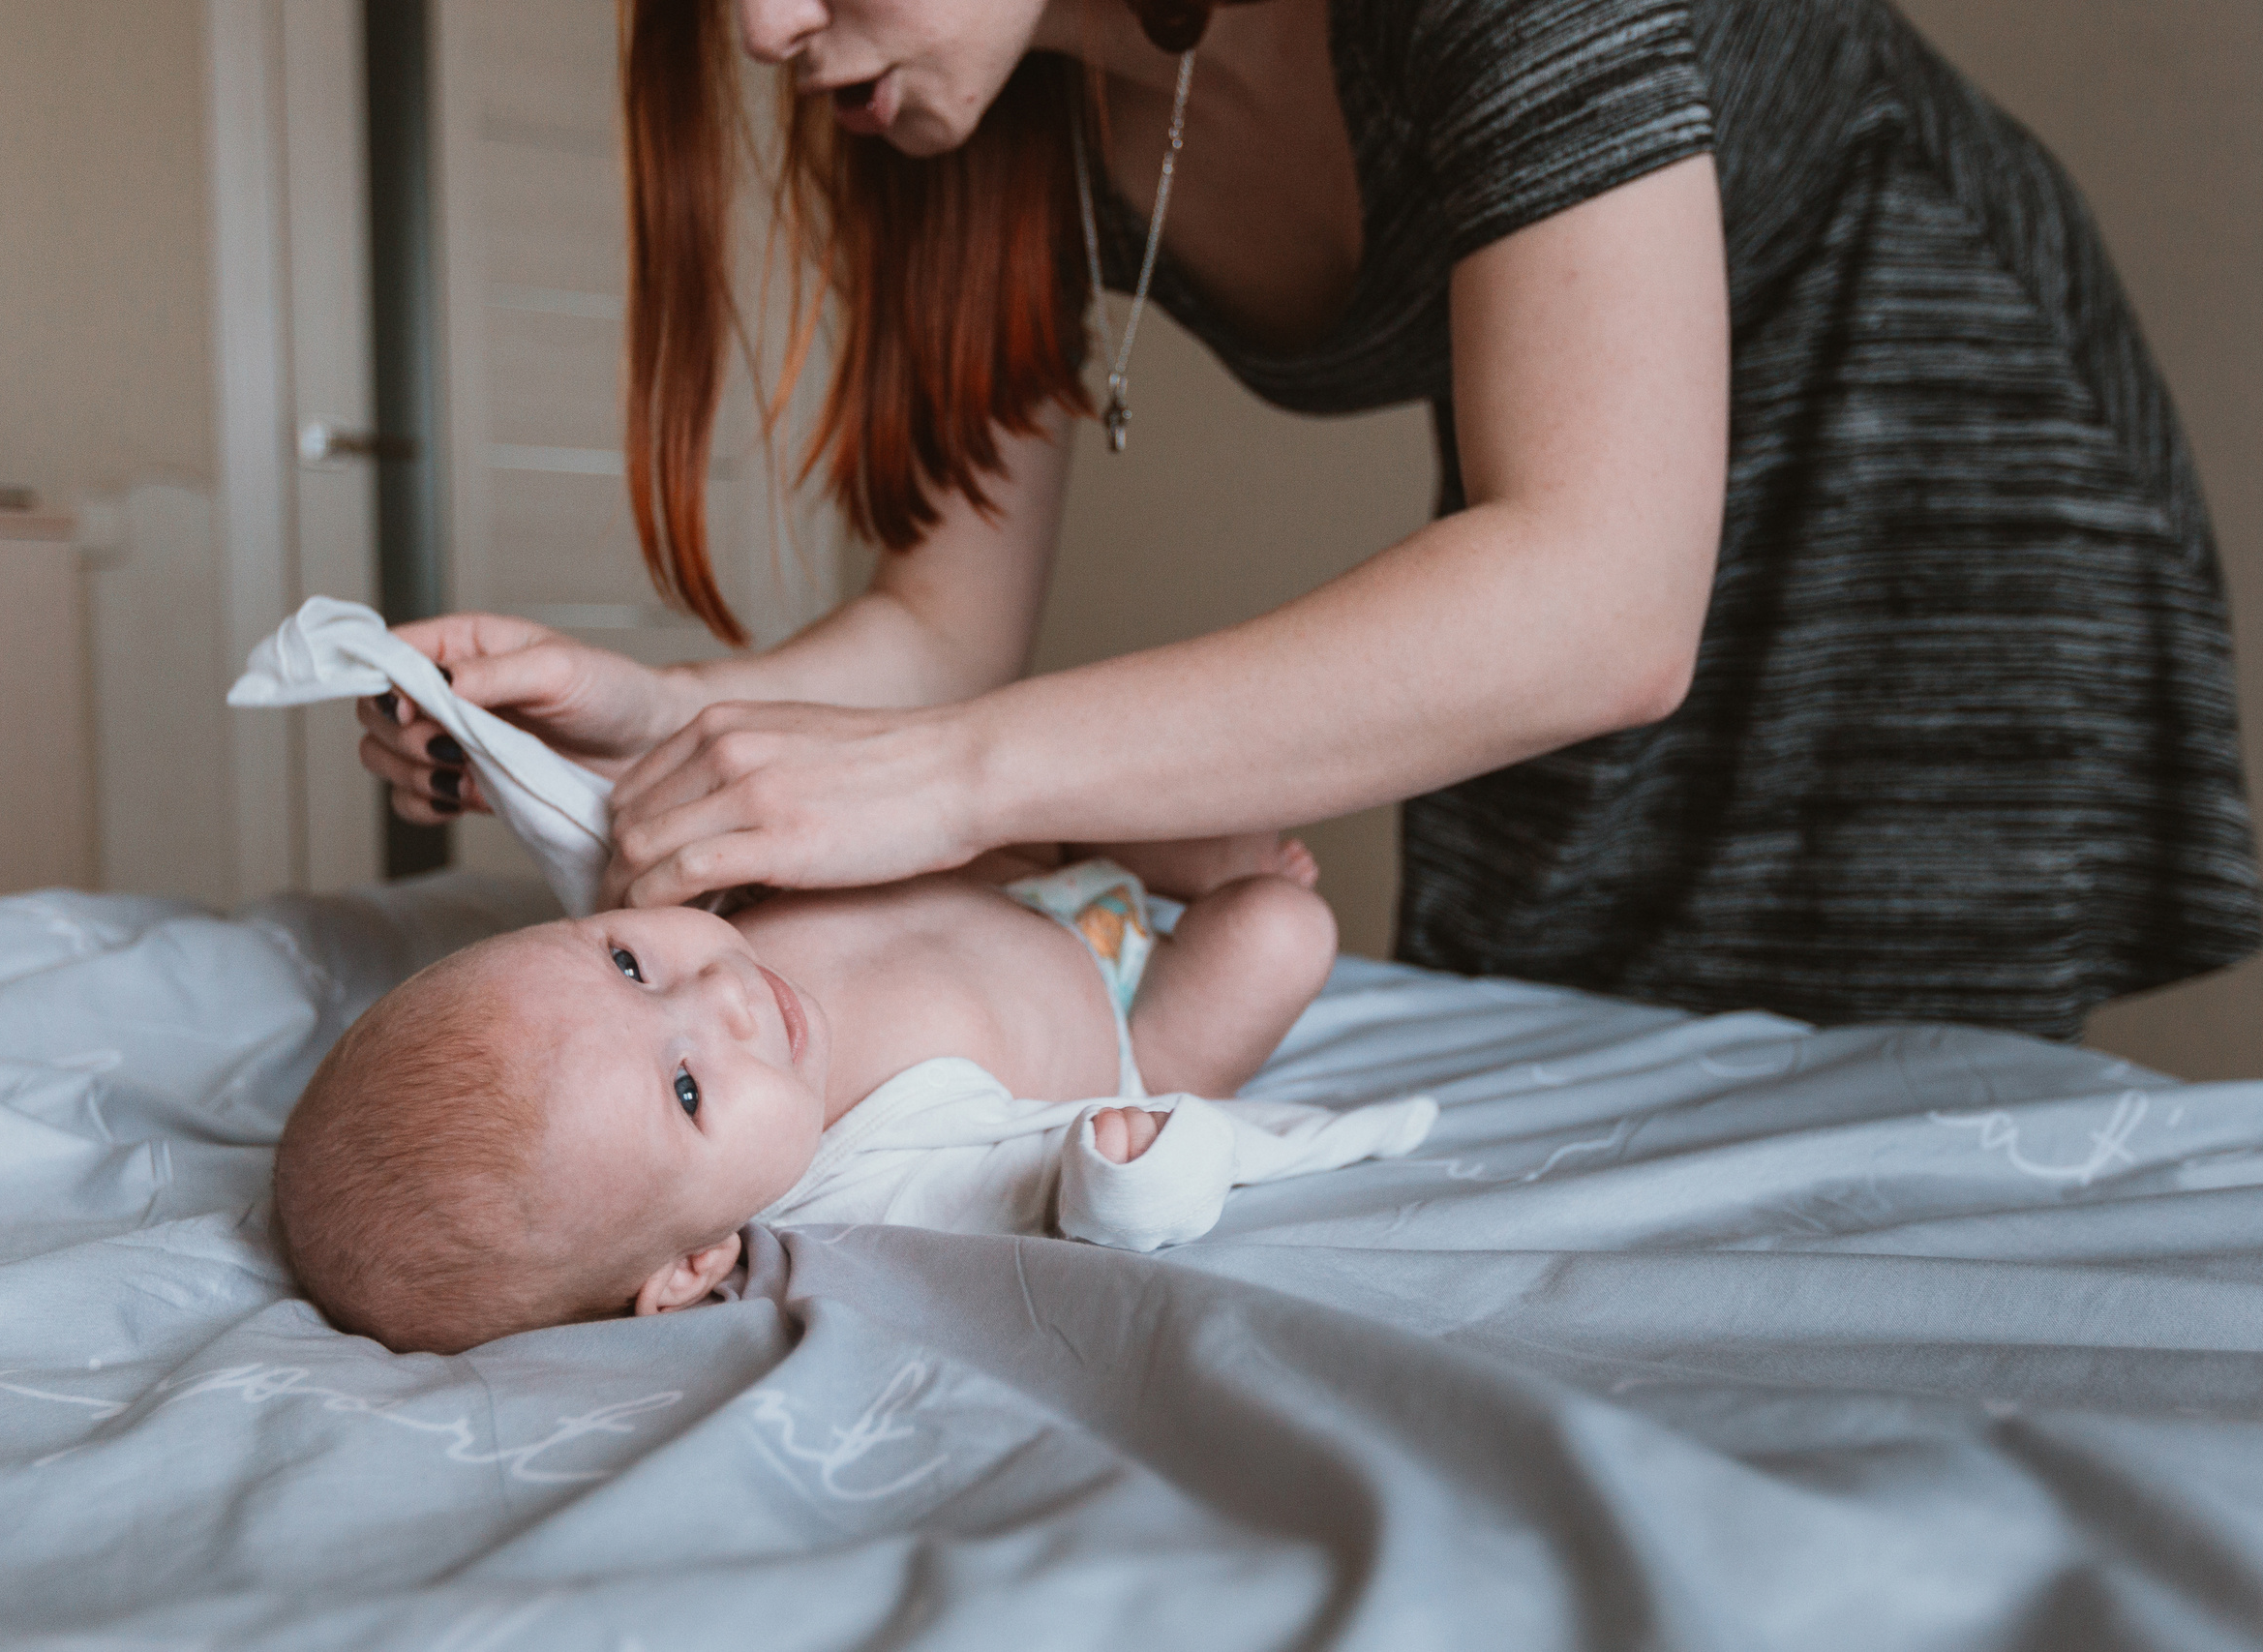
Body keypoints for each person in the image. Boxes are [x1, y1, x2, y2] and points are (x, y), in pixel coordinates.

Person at [357, 0, 2257, 1042]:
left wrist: (959, 781)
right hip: (1574, 513)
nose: (764, 24)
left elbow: (1598, 601)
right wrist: (664, 725)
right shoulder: (967, 114)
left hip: (1913, 406)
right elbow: (941, 630)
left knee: (1875, 1141)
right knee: (1568, 1069)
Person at [274, 837, 1436, 1355]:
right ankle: (1203, 891)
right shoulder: (864, 1184)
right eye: (685, 1089)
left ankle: (1156, 850)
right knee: (1281, 931)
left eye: (628, 963)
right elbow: (1067, 1211)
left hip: (1012, 875)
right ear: (690, 1268)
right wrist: (1129, 1170)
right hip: (1126, 1008)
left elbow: (593, 816)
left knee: (1102, 782)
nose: (720, 996)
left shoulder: (712, 936)